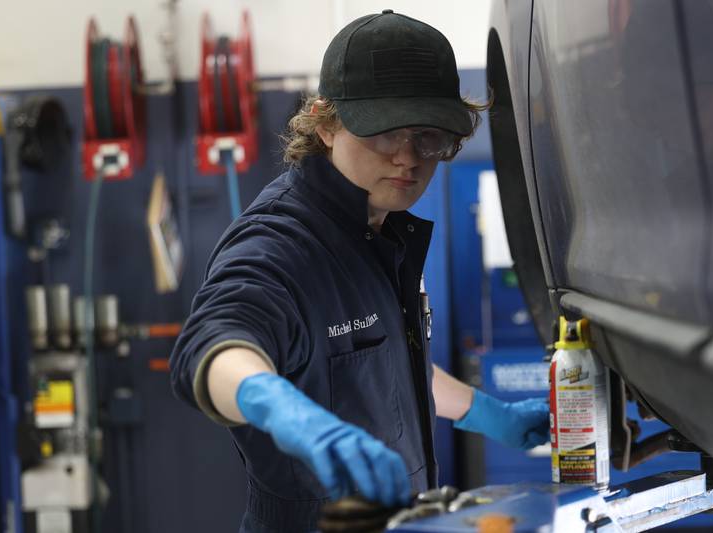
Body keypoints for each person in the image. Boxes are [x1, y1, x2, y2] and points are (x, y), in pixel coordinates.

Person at [170, 10, 549, 533]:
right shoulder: (282, 242)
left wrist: (487, 414)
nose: (408, 158)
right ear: (326, 123)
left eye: (428, 137)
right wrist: (282, 408)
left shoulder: (380, 229)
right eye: (385, 132)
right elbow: (212, 348)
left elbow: (375, 364)